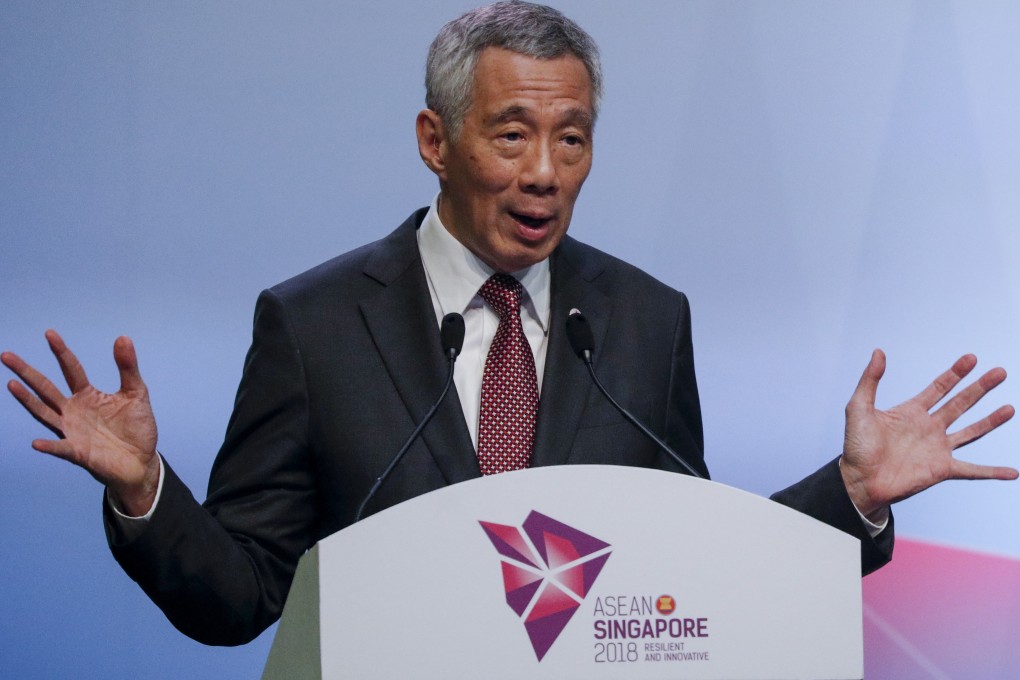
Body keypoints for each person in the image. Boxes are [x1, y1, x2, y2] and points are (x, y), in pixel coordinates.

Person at [3, 0, 1016, 647]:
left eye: (571, 138)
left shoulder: (643, 320)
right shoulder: (312, 327)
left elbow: (692, 571)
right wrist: (146, 490)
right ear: (434, 140)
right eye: (513, 133)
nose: (544, 171)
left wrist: (852, 495)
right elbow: (239, 596)